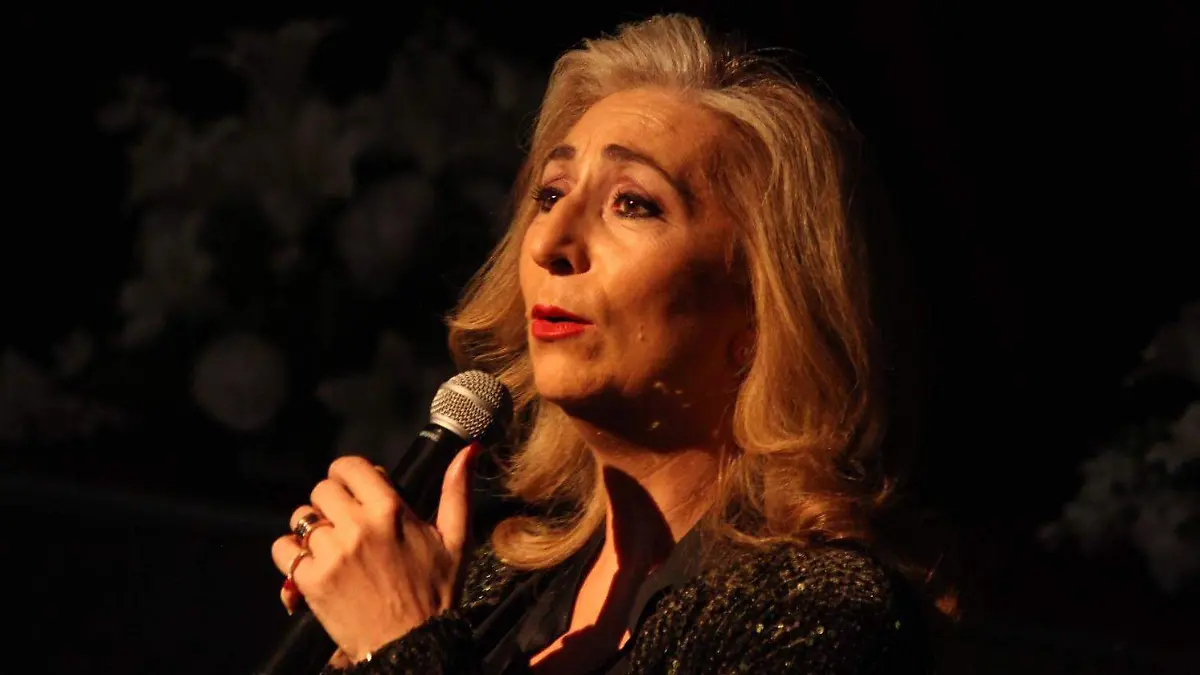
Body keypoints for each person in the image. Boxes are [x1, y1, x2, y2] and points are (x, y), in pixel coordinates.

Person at [270, 12, 952, 674]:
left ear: (761, 304)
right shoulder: (494, 589)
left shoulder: (826, 615)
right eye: (551, 193)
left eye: (633, 203)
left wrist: (401, 640)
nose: (549, 240)